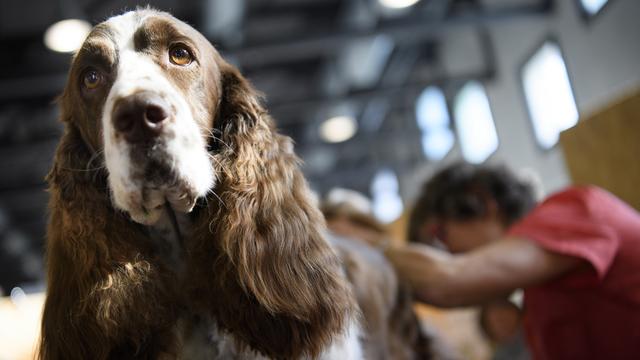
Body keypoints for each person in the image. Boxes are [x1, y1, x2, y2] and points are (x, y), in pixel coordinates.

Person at [385, 162, 640, 360]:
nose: (445, 255)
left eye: (440, 237)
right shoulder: (537, 309)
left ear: (481, 201)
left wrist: (359, 253)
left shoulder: (575, 210)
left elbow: (449, 279)